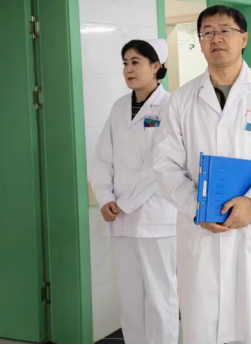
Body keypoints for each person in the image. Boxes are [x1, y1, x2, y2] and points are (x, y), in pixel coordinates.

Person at [150, 6, 251, 344]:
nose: (216, 38)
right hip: (202, 232)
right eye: (207, 32)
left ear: (244, 38)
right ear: (200, 42)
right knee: (208, 327)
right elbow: (165, 166)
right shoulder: (181, 101)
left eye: (225, 30)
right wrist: (197, 207)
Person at [90, 39, 179, 344]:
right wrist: (105, 198)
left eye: (136, 62)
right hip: (120, 219)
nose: (128, 69)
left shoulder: (170, 106)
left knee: (160, 296)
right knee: (129, 298)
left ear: (156, 66)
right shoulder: (119, 107)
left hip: (156, 218)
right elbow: (103, 157)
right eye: (125, 62)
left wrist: (124, 202)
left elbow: (160, 163)